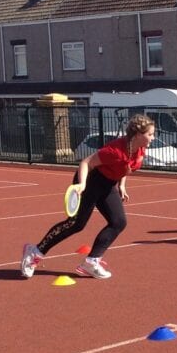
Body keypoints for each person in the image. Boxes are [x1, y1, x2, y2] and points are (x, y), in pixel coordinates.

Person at [20, 114, 155, 280]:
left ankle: (91, 262)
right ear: (138, 135)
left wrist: (122, 185)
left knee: (118, 222)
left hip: (108, 183)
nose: (153, 138)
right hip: (90, 180)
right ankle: (35, 251)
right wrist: (82, 184)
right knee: (76, 224)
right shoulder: (115, 150)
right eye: (150, 134)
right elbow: (86, 163)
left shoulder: (139, 149)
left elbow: (126, 167)